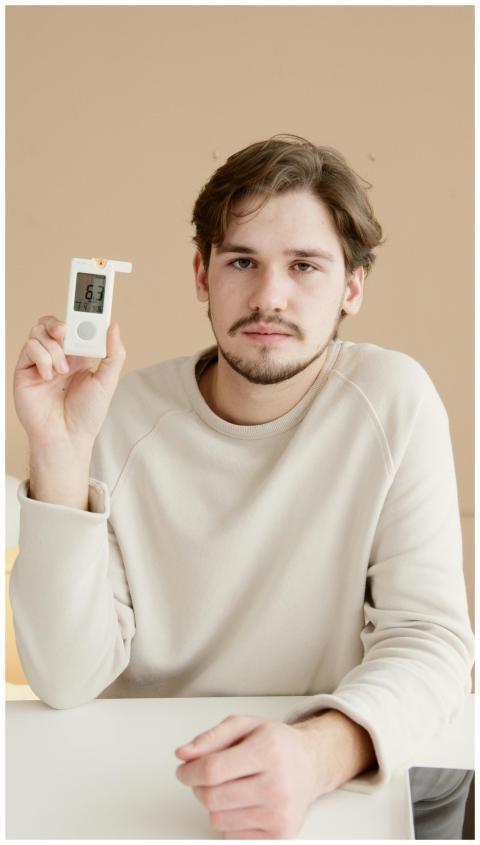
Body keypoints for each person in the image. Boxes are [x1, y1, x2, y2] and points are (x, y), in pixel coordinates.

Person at [11, 135, 474, 839]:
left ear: (352, 286)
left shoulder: (395, 400)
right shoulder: (116, 413)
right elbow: (67, 680)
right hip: (138, 787)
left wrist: (321, 752)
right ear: (202, 274)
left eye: (305, 266)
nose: (269, 296)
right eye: (242, 262)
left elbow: (432, 640)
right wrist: (59, 455)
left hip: (323, 791)